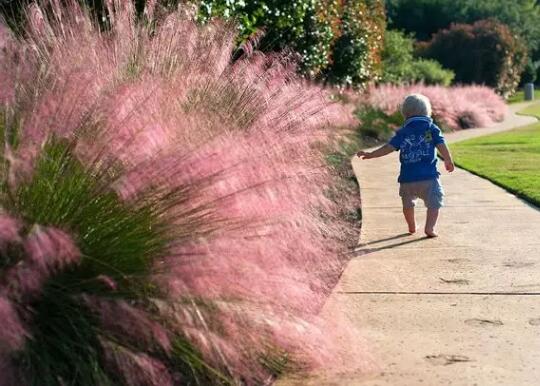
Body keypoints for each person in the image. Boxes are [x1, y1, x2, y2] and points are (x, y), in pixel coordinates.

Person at [356, 94, 455, 237]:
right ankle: (429, 228)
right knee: (435, 203)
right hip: (429, 178)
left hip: (407, 179)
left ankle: (412, 226)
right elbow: (441, 144)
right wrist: (448, 159)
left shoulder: (403, 132)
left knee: (408, 205)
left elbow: (388, 147)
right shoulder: (431, 128)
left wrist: (371, 154)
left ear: (405, 113)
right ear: (427, 111)